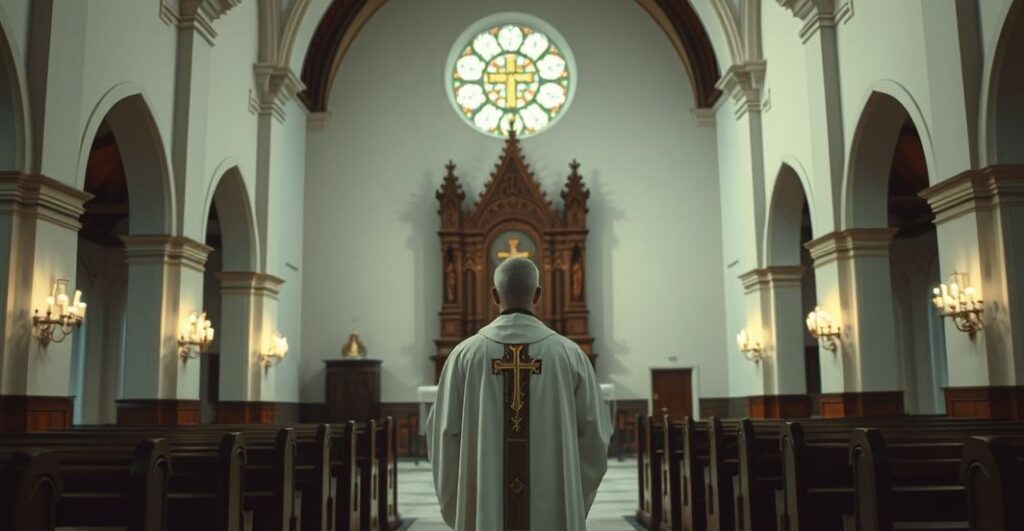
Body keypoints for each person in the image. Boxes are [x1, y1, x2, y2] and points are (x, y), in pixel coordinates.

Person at [426, 257, 612, 531]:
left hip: (484, 509)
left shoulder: (464, 355)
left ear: (494, 295)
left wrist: (461, 501)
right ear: (538, 294)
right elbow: (595, 434)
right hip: (553, 508)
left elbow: (444, 433)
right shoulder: (569, 354)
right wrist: (571, 495)